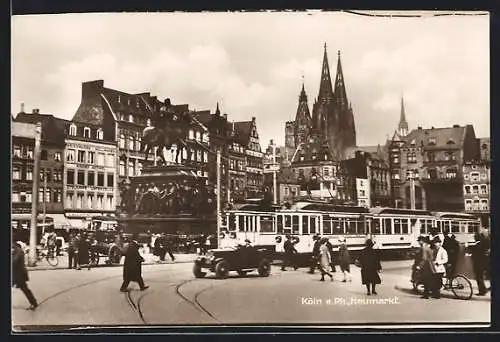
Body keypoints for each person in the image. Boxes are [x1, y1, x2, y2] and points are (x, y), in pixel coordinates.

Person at [12, 242, 38, 310]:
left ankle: (34, 303)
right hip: (16, 274)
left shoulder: (18, 251)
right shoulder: (16, 250)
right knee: (25, 289)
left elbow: (14, 261)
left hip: (19, 274)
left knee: (25, 289)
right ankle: (34, 303)